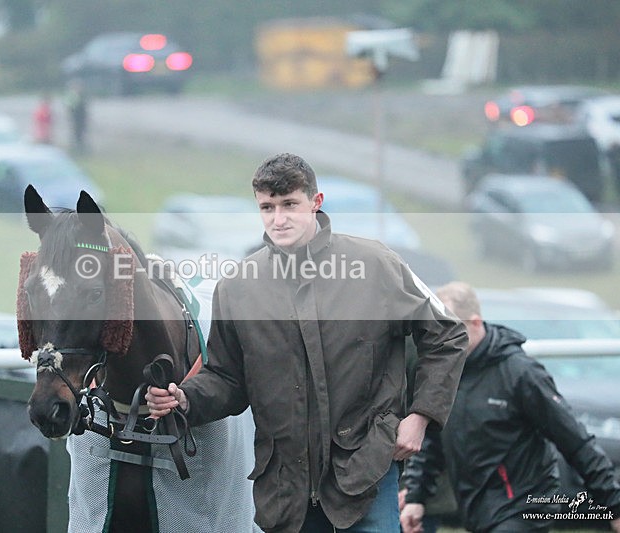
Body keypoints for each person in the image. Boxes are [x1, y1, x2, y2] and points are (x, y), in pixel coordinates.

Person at [147, 153, 469, 532]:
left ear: (316, 203)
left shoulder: (378, 264)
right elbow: (227, 379)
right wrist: (186, 398)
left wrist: (420, 417)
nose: (278, 219)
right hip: (284, 490)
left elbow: (448, 334)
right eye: (267, 207)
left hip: (366, 473)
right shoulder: (236, 289)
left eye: (289, 205)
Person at [400, 281, 620, 533]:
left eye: (449, 327)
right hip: (478, 512)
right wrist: (416, 498)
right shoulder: (447, 374)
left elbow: (575, 440)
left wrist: (614, 504)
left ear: (475, 323)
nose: (441, 338)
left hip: (523, 509)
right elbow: (432, 440)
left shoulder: (520, 373)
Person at [64, 80, 89, 152]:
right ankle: (76, 148)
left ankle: (80, 148)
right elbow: (69, 108)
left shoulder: (82, 96)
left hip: (81, 119)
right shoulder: (72, 96)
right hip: (75, 119)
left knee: (81, 134)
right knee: (76, 134)